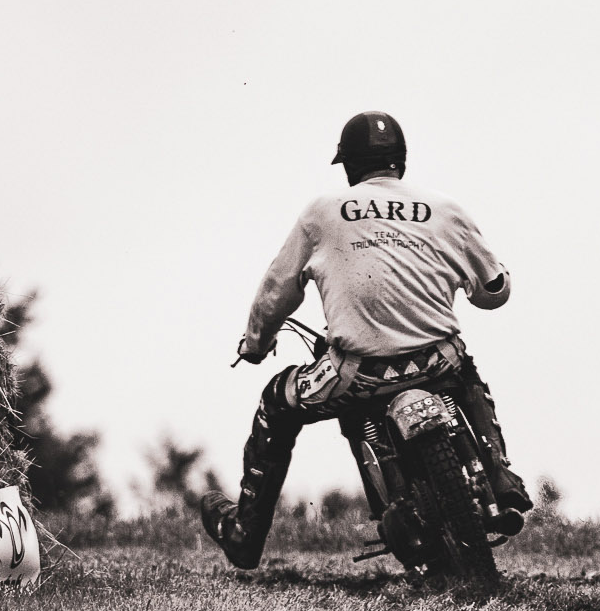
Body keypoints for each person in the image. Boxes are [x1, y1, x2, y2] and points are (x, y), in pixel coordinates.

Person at [200, 111, 531, 570]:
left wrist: (255, 343)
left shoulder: (322, 212)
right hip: (439, 362)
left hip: (358, 372)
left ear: (350, 167)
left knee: (275, 404)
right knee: (466, 368)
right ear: (402, 162)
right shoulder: (446, 209)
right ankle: (499, 472)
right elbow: (494, 292)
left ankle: (244, 536)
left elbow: (277, 290)